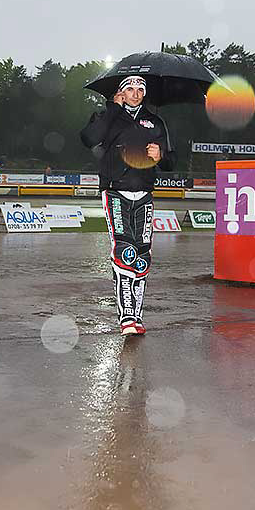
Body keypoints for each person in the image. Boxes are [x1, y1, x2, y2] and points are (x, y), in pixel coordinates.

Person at [80, 75, 174, 336]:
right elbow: (89, 139)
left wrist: (162, 156)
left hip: (144, 193)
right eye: (129, 89)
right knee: (124, 250)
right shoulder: (107, 115)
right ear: (120, 92)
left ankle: (138, 317)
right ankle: (127, 317)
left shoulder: (155, 121)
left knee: (142, 256)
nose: (135, 93)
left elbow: (171, 161)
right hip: (115, 192)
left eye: (140, 89)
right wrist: (113, 109)